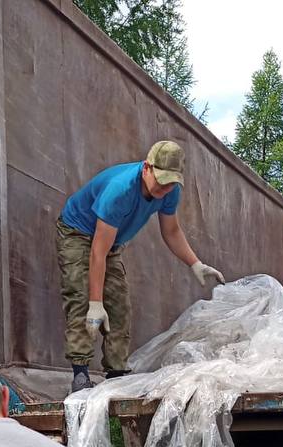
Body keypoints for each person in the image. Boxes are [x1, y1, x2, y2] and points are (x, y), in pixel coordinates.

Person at [58, 139, 225, 394]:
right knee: (82, 298)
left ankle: (116, 374)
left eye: (171, 182)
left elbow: (171, 230)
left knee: (119, 306)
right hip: (78, 233)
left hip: (111, 243)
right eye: (161, 180)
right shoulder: (120, 190)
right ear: (147, 168)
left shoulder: (170, 190)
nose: (165, 188)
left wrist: (195, 264)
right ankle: (80, 374)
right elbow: (97, 253)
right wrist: (95, 303)